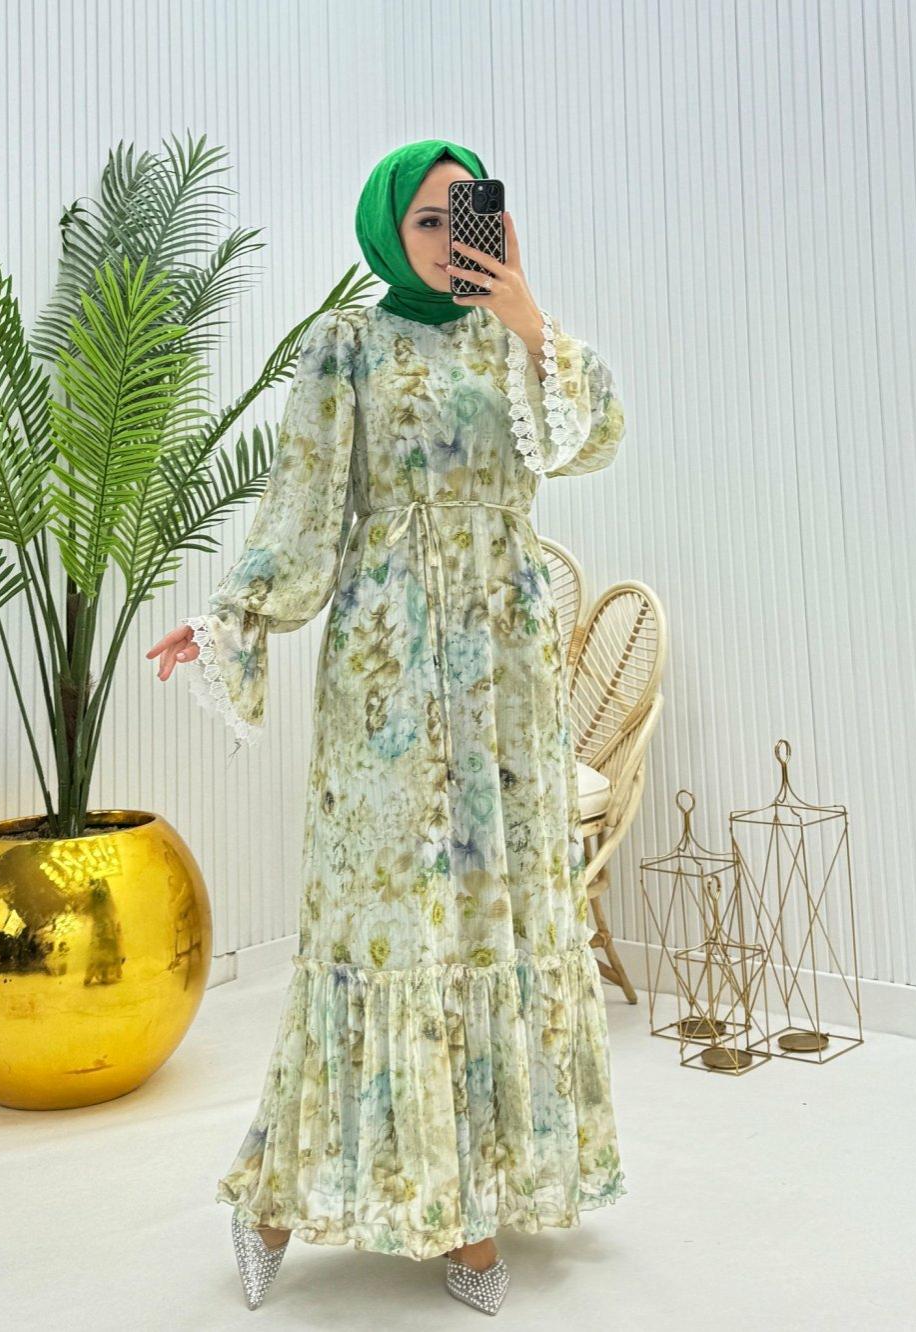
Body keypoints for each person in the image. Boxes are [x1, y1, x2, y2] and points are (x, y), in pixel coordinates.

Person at [146, 137, 628, 1316]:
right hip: (391, 666)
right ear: (385, 230)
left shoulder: (517, 343)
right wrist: (237, 616)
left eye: (465, 212)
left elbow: (595, 437)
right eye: (426, 219)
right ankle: (272, 1199)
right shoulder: (346, 346)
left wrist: (527, 316)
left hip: (507, 670)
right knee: (389, 923)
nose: (449, 236)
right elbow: (305, 502)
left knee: (493, 917)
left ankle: (473, 1205)